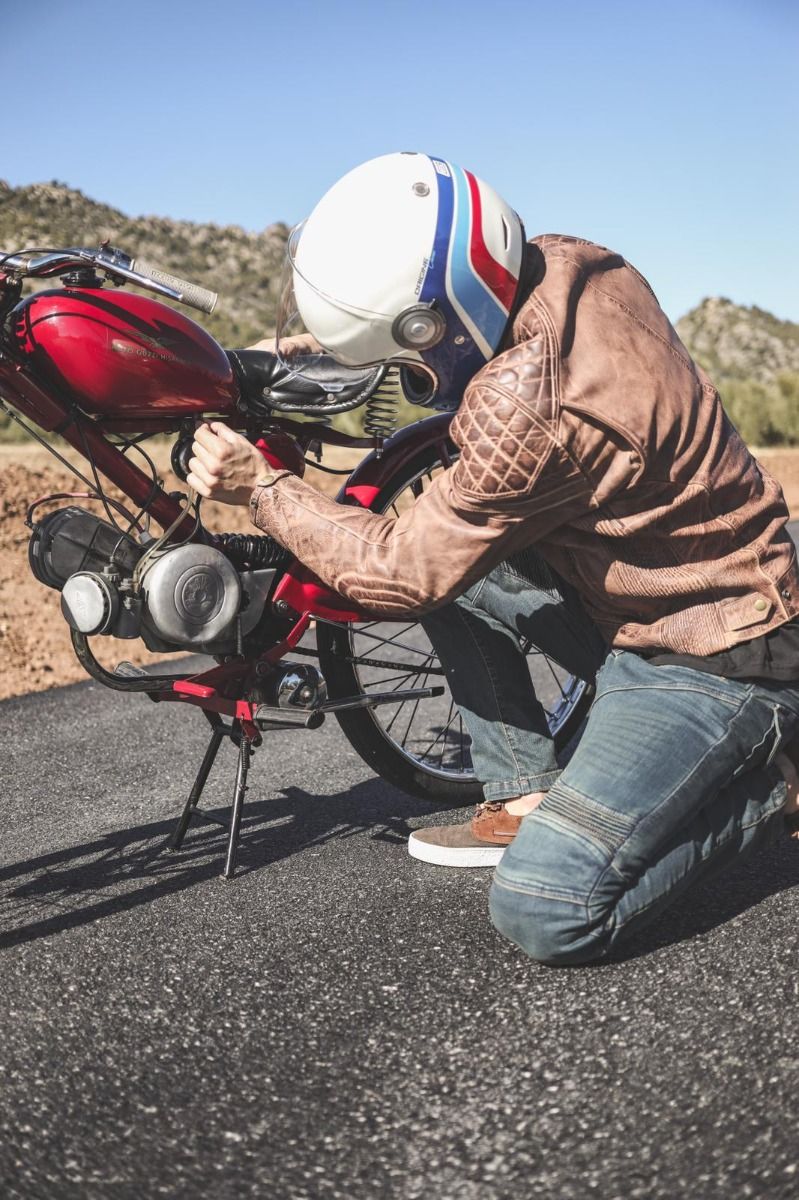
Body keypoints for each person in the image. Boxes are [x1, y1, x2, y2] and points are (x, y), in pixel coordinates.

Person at [187, 151, 799, 966]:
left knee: (547, 909)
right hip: (664, 598)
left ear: (432, 326)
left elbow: (401, 572)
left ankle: (776, 782)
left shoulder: (525, 403)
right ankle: (527, 790)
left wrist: (263, 486)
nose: (406, 374)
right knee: (464, 572)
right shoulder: (572, 264)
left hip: (709, 652)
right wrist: (334, 338)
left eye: (403, 355)